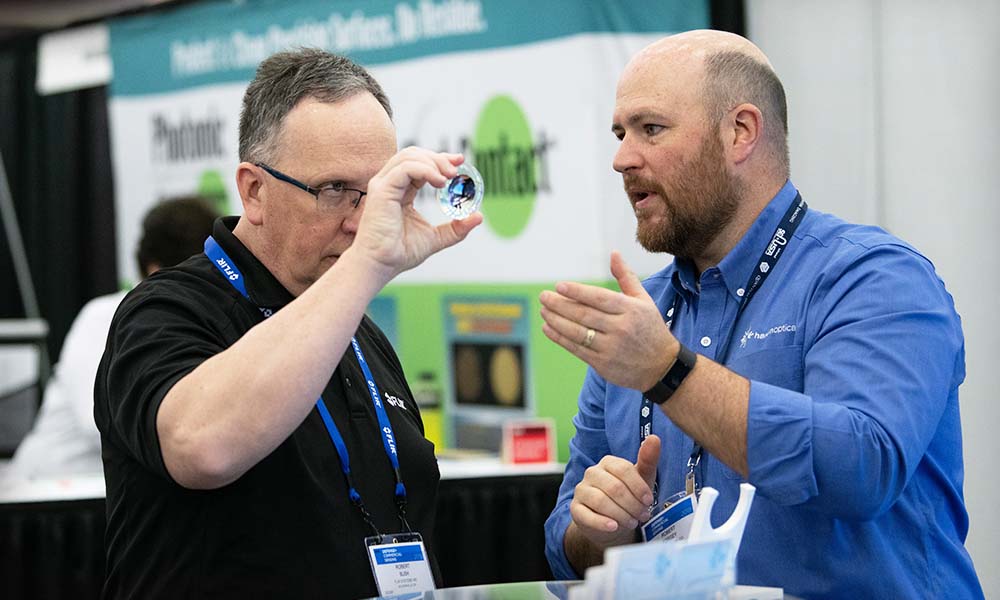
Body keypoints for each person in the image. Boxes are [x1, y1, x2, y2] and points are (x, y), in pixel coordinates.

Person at [540, 30, 983, 599]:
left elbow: (862, 468)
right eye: (620, 133)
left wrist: (669, 374)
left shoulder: (874, 278)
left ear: (740, 132)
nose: (623, 158)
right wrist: (602, 528)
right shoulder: (643, 316)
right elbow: (564, 549)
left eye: (651, 129)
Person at [94, 48, 481, 599]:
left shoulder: (361, 330)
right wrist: (368, 265)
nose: (362, 221)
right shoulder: (167, 309)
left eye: (378, 194)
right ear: (254, 190)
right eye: (335, 191)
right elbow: (203, 448)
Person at [4, 196, 218, 481]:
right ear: (155, 271)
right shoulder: (105, 316)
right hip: (51, 497)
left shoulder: (213, 318)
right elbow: (97, 422)